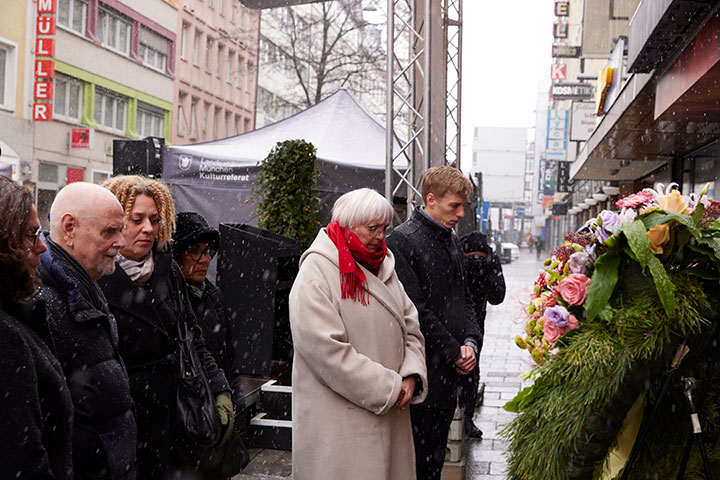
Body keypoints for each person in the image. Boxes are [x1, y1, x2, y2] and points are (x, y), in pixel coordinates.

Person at [96, 175, 232, 479]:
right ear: (115, 220)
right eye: (137, 218)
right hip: (126, 420)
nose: (148, 228)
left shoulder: (167, 269)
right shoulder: (97, 273)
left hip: (175, 414)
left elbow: (191, 336)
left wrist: (219, 387)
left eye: (155, 219)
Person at [289, 188, 428, 480]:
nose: (380, 236)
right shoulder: (316, 272)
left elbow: (411, 326)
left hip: (389, 413)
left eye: (385, 228)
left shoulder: (384, 265)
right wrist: (390, 387)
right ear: (347, 225)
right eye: (372, 228)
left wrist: (412, 374)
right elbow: (326, 352)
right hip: (340, 424)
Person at [386, 165, 482, 480]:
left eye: (463, 205)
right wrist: (455, 350)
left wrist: (470, 342)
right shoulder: (402, 240)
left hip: (448, 374)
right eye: (454, 205)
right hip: (421, 374)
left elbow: (466, 298)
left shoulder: (451, 240)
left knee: (434, 462)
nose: (461, 212)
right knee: (416, 466)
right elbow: (416, 311)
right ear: (431, 199)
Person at [36, 182, 137, 479]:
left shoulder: (83, 286)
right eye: (110, 231)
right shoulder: (46, 305)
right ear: (69, 228)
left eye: (121, 229)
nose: (121, 241)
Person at [0, 176, 74, 479]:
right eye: (32, 235)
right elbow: (22, 456)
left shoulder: (15, 316)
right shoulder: (6, 337)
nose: (42, 247)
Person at [173, 211, 250, 479]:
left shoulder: (214, 297)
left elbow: (229, 362)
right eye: (194, 251)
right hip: (189, 425)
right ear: (176, 254)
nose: (204, 259)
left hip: (219, 417)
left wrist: (235, 413)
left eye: (208, 251)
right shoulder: (170, 300)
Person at [459, 231, 507, 438]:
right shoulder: (455, 254)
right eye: (472, 257)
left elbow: (498, 297)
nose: (476, 261)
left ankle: (467, 417)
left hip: (476, 323)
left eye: (480, 257)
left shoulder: (490, 260)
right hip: (451, 318)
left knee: (472, 369)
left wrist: (487, 273)